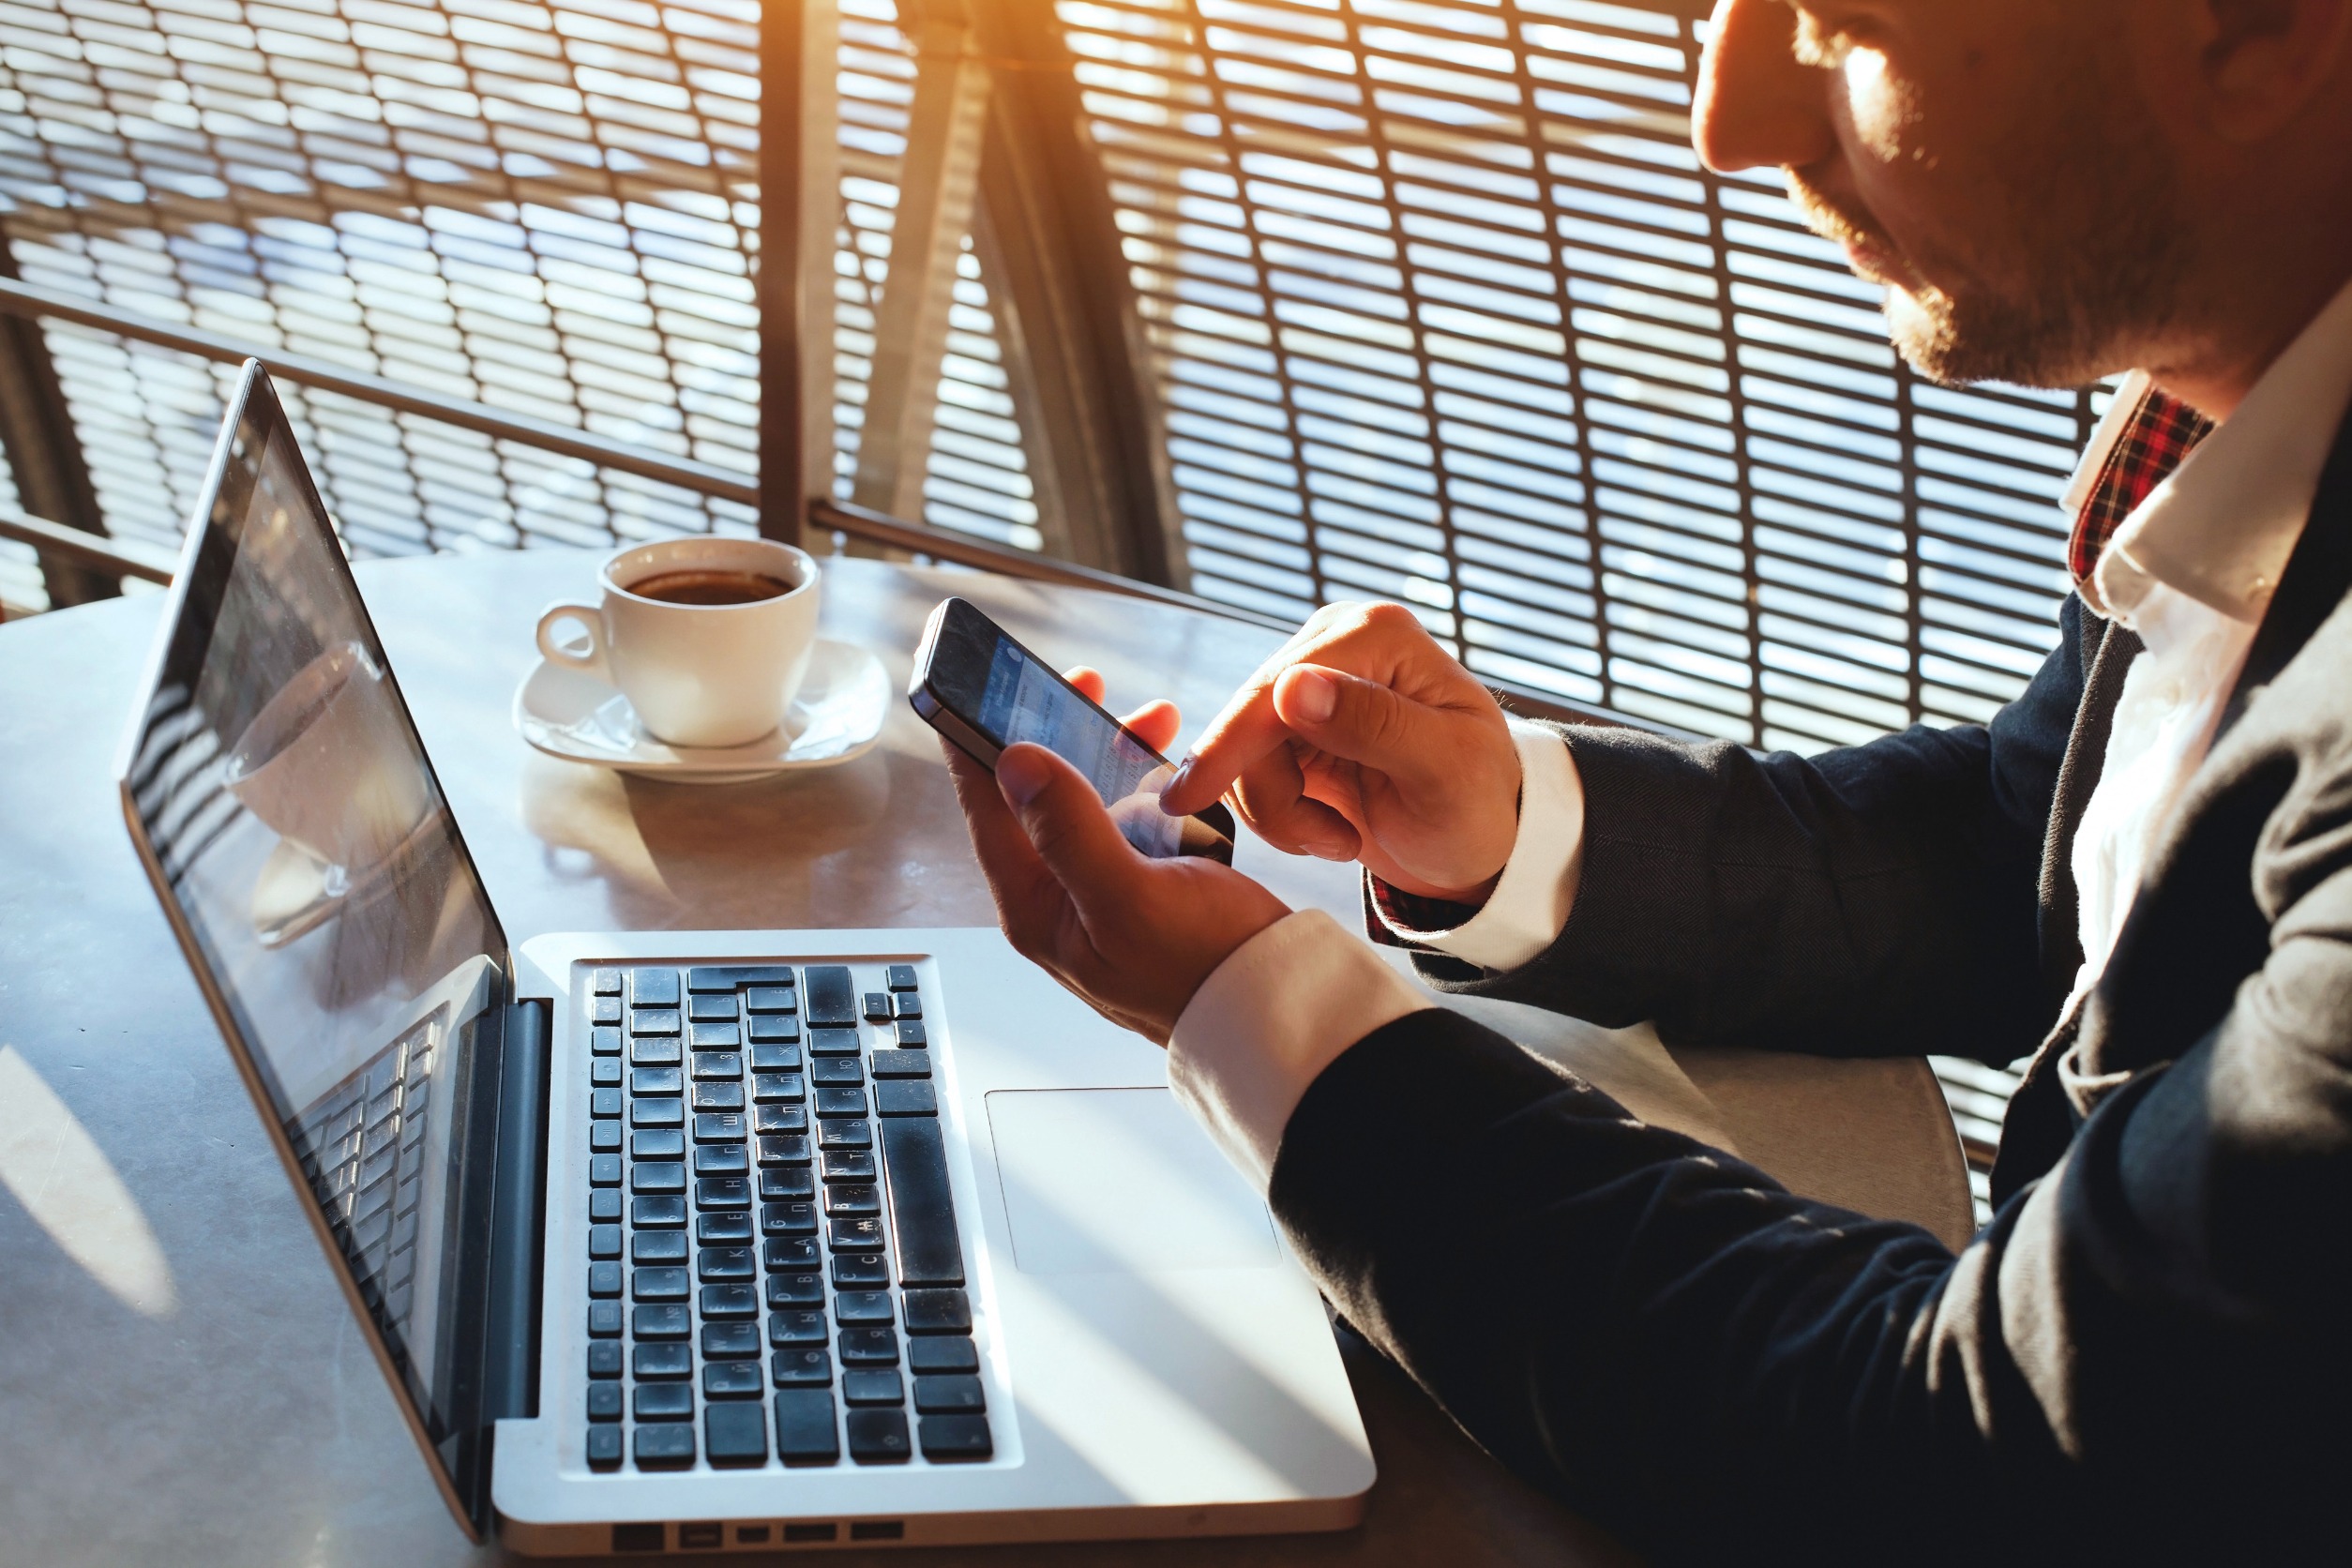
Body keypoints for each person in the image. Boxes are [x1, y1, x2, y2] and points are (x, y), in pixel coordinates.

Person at [942, 1, 2352, 1560]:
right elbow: (2030, 848)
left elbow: (1963, 1445)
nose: (1728, 120)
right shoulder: (2239, 409)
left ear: (2268, 28)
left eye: (1841, 19)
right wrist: (1506, 830)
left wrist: (1276, 1028)